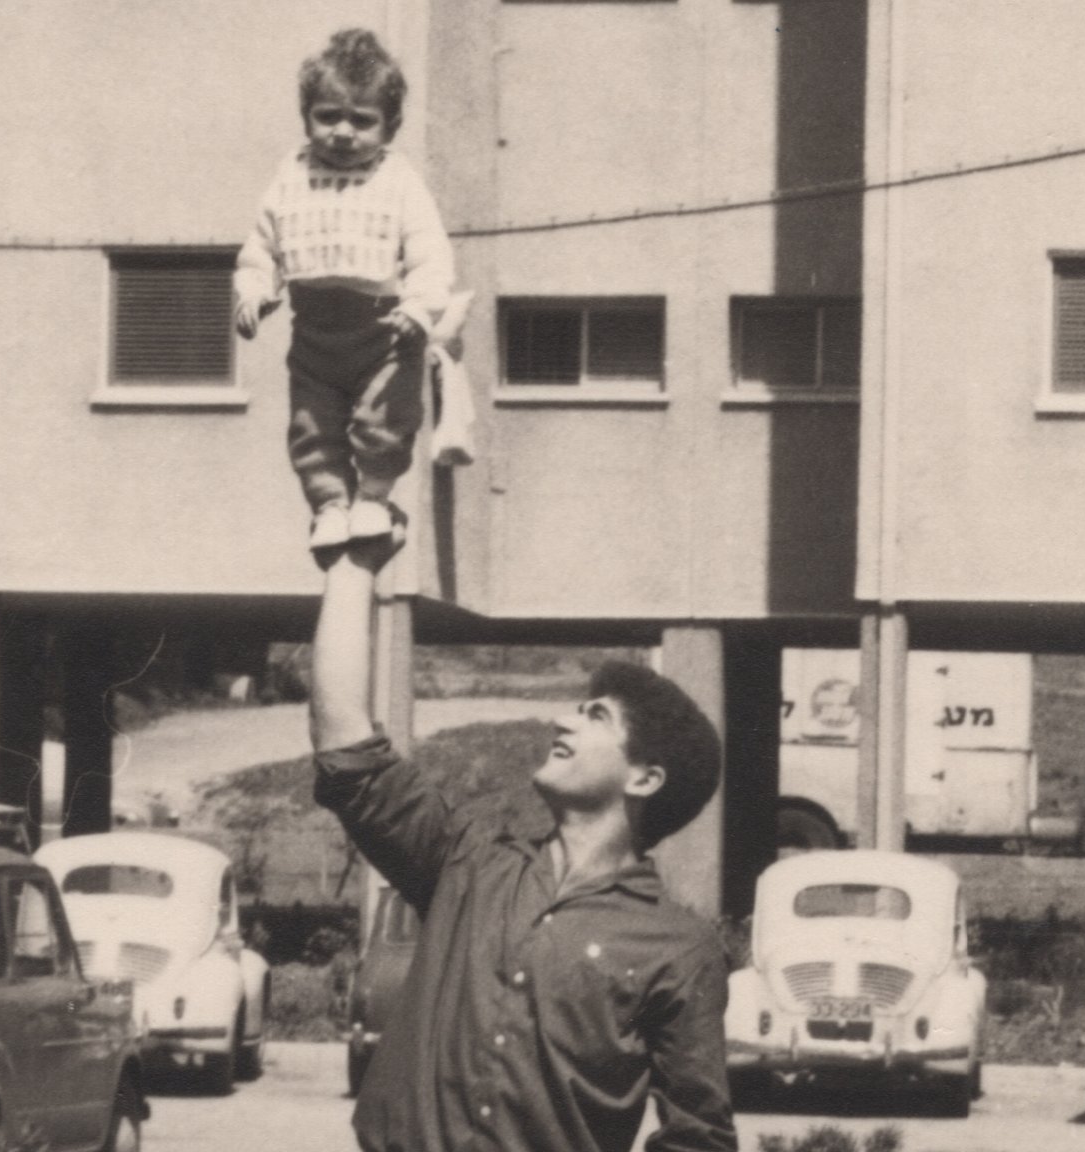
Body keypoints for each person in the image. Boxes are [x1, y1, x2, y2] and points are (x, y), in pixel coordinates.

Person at [308, 531, 736, 1152]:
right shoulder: (472, 858)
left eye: (596, 717)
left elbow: (700, 1136)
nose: (563, 720)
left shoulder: (679, 949)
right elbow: (348, 752)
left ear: (644, 778)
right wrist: (353, 569)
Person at [235, 27, 455, 552]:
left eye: (363, 120)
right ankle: (330, 503)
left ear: (389, 127)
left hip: (384, 331)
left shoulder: (399, 182)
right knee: (313, 423)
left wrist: (421, 307)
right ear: (307, 115)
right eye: (328, 115)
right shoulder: (291, 175)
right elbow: (263, 244)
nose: (342, 132)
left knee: (383, 419)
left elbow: (429, 252)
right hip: (315, 332)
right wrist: (255, 289)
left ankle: (374, 498)